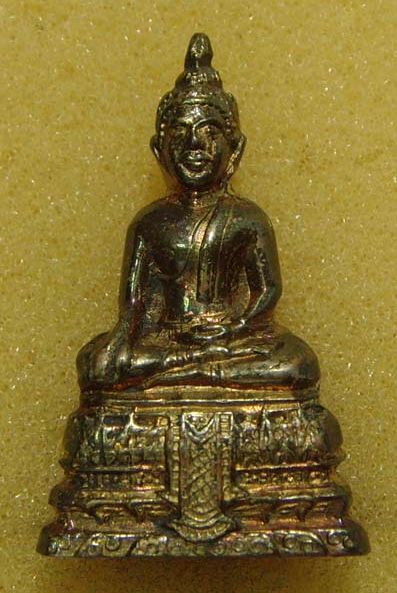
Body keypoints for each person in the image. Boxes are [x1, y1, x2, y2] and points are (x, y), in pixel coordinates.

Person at [77, 33, 319, 393]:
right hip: (168, 341)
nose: (194, 145)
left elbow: (268, 291)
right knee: (96, 362)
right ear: (158, 150)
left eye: (209, 132)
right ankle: (198, 369)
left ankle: (189, 373)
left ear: (235, 149)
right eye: (180, 133)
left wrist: (234, 328)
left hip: (233, 340)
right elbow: (133, 305)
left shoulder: (247, 218)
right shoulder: (149, 223)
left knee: (298, 363)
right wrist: (122, 342)